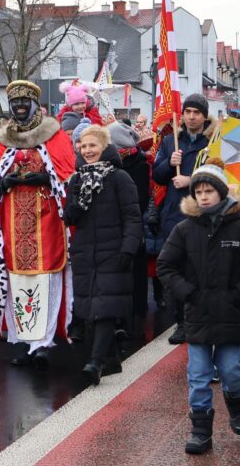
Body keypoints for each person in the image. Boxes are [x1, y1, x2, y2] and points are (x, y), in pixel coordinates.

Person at [157, 161, 240, 455]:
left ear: (221, 192)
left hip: (231, 314)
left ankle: (236, 404)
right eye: (199, 191)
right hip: (198, 314)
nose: (204, 196)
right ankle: (201, 431)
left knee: (232, 371)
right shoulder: (184, 229)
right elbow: (166, 266)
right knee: (198, 375)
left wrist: (239, 293)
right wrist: (188, 293)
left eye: (209, 191)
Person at [0, 80, 75, 368]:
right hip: (12, 222)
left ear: (34, 104)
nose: (20, 106)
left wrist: (47, 178)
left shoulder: (54, 135)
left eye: (25, 102)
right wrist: (3, 181)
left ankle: (43, 343)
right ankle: (23, 341)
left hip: (45, 221)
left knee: (45, 278)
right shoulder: (2, 138)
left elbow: (68, 173)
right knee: (16, 279)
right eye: (15, 103)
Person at [63, 125, 142, 385]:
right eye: (83, 146)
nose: (87, 151)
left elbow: (132, 215)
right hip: (86, 251)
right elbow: (71, 217)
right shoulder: (77, 179)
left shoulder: (120, 178)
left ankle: (95, 363)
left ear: (104, 147)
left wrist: (129, 248)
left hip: (113, 249)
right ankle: (111, 361)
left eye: (92, 146)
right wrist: (72, 204)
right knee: (90, 307)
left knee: (105, 307)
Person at [152, 93, 212, 345]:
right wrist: (169, 162)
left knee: (200, 270)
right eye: (187, 111)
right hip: (173, 216)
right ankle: (180, 322)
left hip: (201, 216)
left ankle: (201, 318)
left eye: (196, 112)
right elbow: (157, 175)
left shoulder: (212, 142)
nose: (190, 116)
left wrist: (192, 181)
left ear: (204, 116)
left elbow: (221, 176)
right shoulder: (170, 141)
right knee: (175, 271)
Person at [108, 122, 151, 335]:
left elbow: (140, 201)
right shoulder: (110, 166)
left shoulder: (140, 165)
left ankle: (134, 318)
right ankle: (118, 317)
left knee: (134, 273)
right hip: (113, 227)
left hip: (132, 226)